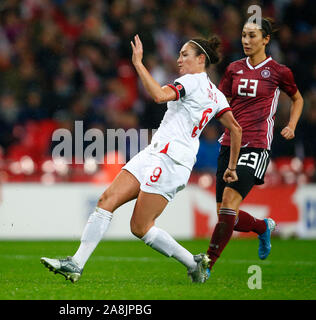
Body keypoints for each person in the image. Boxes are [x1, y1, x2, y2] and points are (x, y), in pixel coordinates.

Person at [41, 34, 242, 283]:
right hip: (155, 152)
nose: (179, 59)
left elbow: (158, 95)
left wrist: (138, 63)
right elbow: (235, 129)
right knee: (107, 199)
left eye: (184, 54)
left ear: (201, 59)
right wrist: (231, 166)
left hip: (172, 160)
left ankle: (193, 262)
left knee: (140, 227)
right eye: (179, 54)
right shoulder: (217, 95)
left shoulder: (191, 82)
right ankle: (76, 263)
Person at [206, 18, 304, 275]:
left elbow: (297, 99)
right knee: (226, 216)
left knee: (228, 203)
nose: (246, 41)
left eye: (252, 36)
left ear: (266, 39)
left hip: (257, 146)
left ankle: (206, 264)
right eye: (243, 35)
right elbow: (222, 102)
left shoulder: (279, 71)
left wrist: (291, 125)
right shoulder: (233, 69)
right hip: (228, 143)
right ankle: (262, 227)